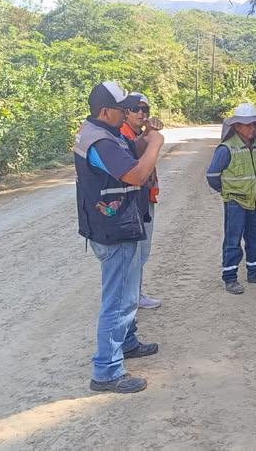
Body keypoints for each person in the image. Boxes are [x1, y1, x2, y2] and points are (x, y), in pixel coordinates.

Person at [74, 81, 165, 394]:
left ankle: (127, 342)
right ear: (105, 111)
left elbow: (129, 154)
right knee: (119, 301)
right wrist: (156, 144)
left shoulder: (104, 132)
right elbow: (136, 174)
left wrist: (145, 138)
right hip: (114, 229)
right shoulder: (101, 142)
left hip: (115, 224)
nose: (128, 113)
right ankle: (107, 371)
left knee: (124, 294)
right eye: (122, 108)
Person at [206, 103, 256, 294]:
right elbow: (212, 176)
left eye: (254, 124)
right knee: (233, 241)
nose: (252, 128)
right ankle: (230, 278)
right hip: (235, 203)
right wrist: (227, 191)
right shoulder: (226, 148)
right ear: (237, 126)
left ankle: (255, 272)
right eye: (247, 124)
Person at [119, 93, 164, 310]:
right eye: (135, 108)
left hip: (145, 198)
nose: (140, 113)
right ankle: (127, 298)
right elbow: (132, 154)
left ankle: (134, 295)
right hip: (130, 201)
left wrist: (148, 131)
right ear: (125, 112)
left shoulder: (139, 131)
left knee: (142, 251)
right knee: (132, 253)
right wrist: (149, 134)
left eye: (144, 109)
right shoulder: (120, 133)